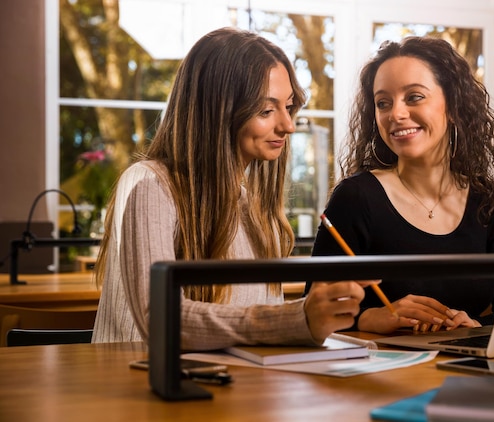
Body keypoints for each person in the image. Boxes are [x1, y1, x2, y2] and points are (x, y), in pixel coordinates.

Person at [91, 27, 368, 350]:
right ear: (217, 112)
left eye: (288, 107)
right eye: (266, 110)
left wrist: (356, 317)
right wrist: (298, 318)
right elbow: (159, 317)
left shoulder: (251, 204)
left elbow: (252, 328)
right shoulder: (150, 185)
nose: (287, 125)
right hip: (138, 388)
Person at [307, 36, 494, 335]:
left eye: (414, 97)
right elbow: (312, 308)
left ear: (453, 105)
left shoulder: (484, 201)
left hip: (465, 368)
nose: (395, 114)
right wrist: (372, 318)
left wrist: (473, 325)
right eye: (383, 103)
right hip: (378, 375)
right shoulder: (356, 197)